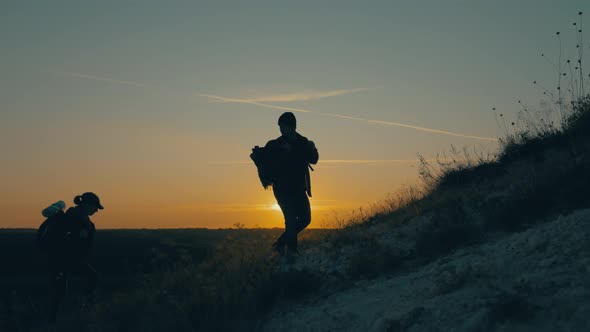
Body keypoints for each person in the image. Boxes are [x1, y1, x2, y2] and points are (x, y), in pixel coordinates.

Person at [254, 112, 319, 260]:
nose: (281, 129)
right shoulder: (275, 144)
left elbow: (314, 159)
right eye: (280, 127)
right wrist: (258, 154)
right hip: (282, 190)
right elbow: (263, 157)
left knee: (305, 219)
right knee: (290, 219)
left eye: (283, 126)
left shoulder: (303, 142)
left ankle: (279, 244)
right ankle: (292, 252)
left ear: (292, 126)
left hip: (299, 189)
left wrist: (312, 147)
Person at [45, 192, 103, 324]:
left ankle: (53, 321)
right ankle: (83, 310)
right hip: (67, 260)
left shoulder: (71, 216)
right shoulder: (78, 219)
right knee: (93, 278)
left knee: (60, 293)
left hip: (59, 260)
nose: (96, 211)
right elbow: (75, 242)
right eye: (95, 207)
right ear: (87, 205)